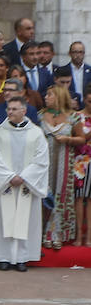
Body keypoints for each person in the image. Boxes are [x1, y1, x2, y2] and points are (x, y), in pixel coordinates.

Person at [0, 95, 48, 270]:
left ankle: (21, 258)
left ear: (24, 111)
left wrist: (24, 176)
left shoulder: (36, 133)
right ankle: (3, 257)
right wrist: (10, 177)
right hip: (5, 185)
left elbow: (41, 160)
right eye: (8, 109)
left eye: (14, 109)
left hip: (26, 185)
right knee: (3, 219)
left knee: (23, 220)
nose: (9, 112)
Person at [41, 84, 85, 249]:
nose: (46, 97)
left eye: (50, 95)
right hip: (45, 162)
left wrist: (68, 140)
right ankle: (43, 232)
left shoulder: (72, 117)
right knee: (46, 193)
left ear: (59, 97)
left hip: (64, 161)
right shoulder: (40, 116)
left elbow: (81, 138)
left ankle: (57, 233)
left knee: (61, 194)